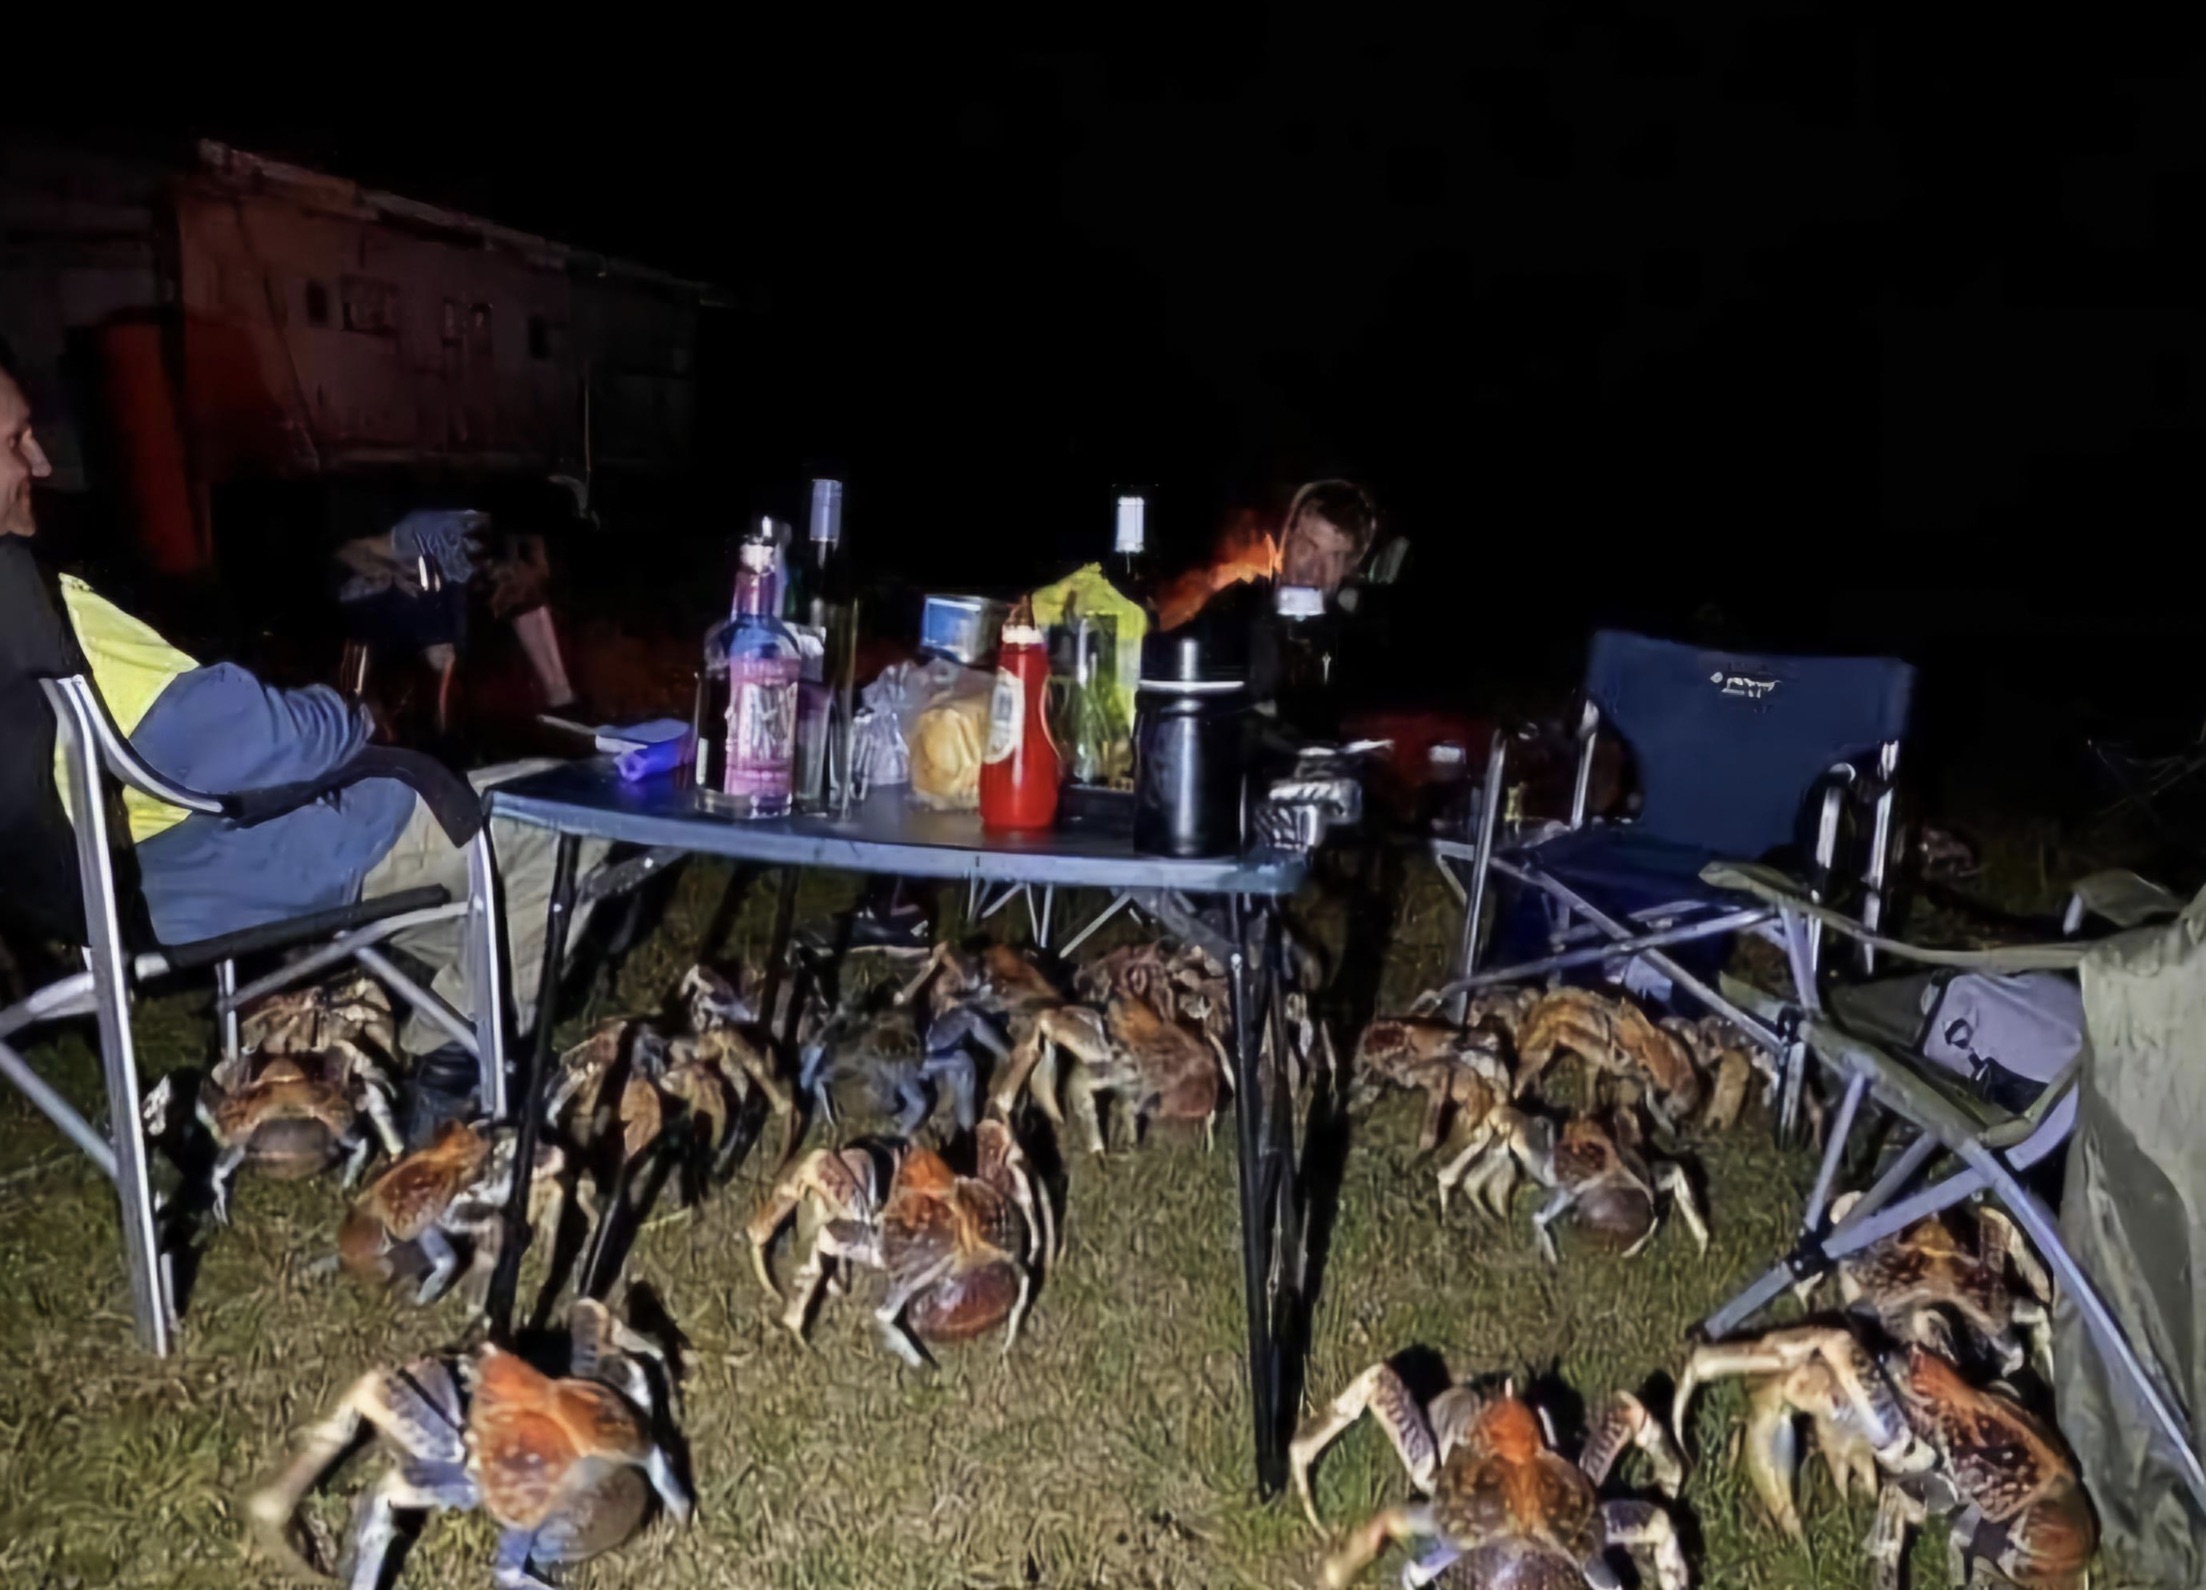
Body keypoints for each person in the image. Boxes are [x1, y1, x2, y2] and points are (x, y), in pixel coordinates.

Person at [0, 352, 600, 1119]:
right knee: (559, 815)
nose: (45, 461)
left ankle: (436, 1019)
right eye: (18, 441)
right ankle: (453, 1074)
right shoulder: (34, 608)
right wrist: (352, 717)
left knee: (458, 872)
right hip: (224, 868)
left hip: (90, 893)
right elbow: (233, 736)